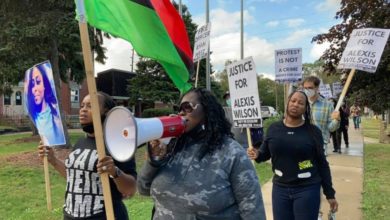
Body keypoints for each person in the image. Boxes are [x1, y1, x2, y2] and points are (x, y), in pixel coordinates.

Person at [138, 88, 266, 220]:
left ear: (207, 111)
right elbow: (143, 188)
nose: (181, 112)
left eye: (187, 107)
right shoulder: (172, 146)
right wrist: (154, 160)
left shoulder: (232, 153)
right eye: (179, 108)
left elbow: (253, 211)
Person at [38, 92, 137, 219]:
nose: (83, 110)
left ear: (106, 112)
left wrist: (114, 171)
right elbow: (74, 177)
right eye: (82, 106)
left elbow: (130, 190)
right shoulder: (81, 142)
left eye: (90, 106)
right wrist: (53, 160)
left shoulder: (118, 144)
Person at [247, 90, 338, 220]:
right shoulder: (274, 128)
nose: (295, 104)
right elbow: (264, 154)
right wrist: (257, 154)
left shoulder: (313, 132)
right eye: (293, 101)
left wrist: (330, 194)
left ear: (305, 108)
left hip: (307, 189)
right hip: (280, 188)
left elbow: (322, 164)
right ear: (288, 103)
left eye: (301, 103)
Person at [26, 64, 65, 145]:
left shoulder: (55, 117)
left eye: (38, 82)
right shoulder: (33, 116)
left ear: (45, 85)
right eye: (33, 84)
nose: (35, 88)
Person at [302, 76, 340, 155]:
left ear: (317, 88)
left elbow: (331, 128)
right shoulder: (300, 103)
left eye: (310, 88)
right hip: (303, 144)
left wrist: (336, 120)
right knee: (304, 166)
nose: (307, 90)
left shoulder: (328, 105)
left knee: (318, 166)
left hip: (320, 146)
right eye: (305, 88)